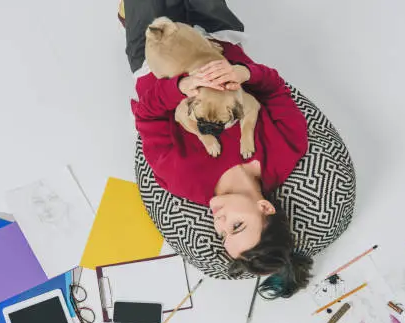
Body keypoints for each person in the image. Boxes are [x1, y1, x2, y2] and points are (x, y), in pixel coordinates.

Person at [123, 0, 312, 299]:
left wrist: (179, 88)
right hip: (218, 38)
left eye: (221, 235)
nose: (220, 222)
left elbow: (145, 116)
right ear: (265, 208)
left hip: (155, 58)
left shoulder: (184, 181)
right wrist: (244, 74)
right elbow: (275, 89)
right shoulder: (287, 149)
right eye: (237, 226)